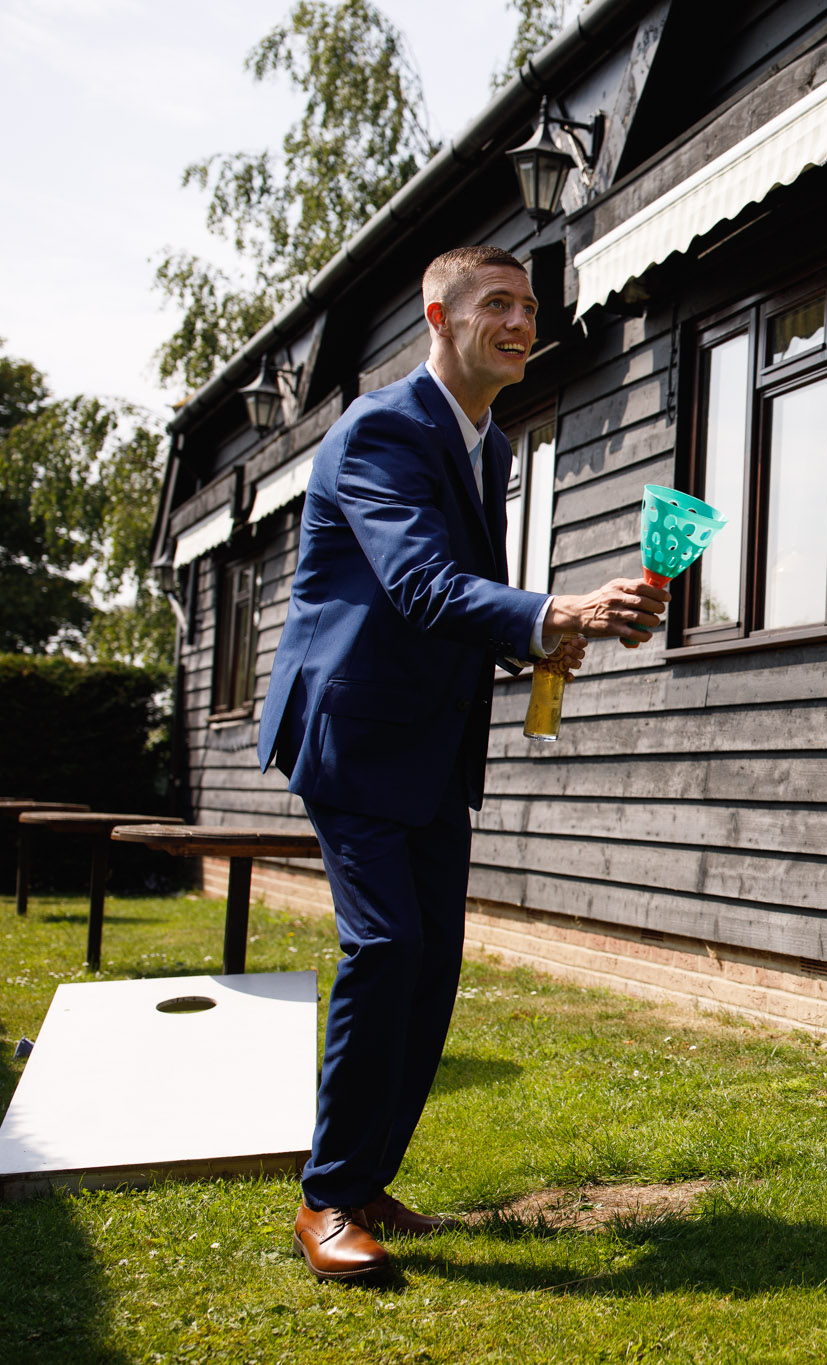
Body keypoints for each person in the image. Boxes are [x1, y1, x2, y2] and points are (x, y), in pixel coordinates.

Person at [256, 244, 670, 1281]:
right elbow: (420, 585)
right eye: (497, 303)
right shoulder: (381, 429)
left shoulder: (489, 444)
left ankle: (365, 1180)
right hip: (352, 730)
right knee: (388, 946)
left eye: (529, 306)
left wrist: (544, 640)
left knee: (432, 964)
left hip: (433, 741)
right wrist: (553, 611)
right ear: (438, 316)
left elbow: (458, 606)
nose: (521, 321)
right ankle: (326, 1199)